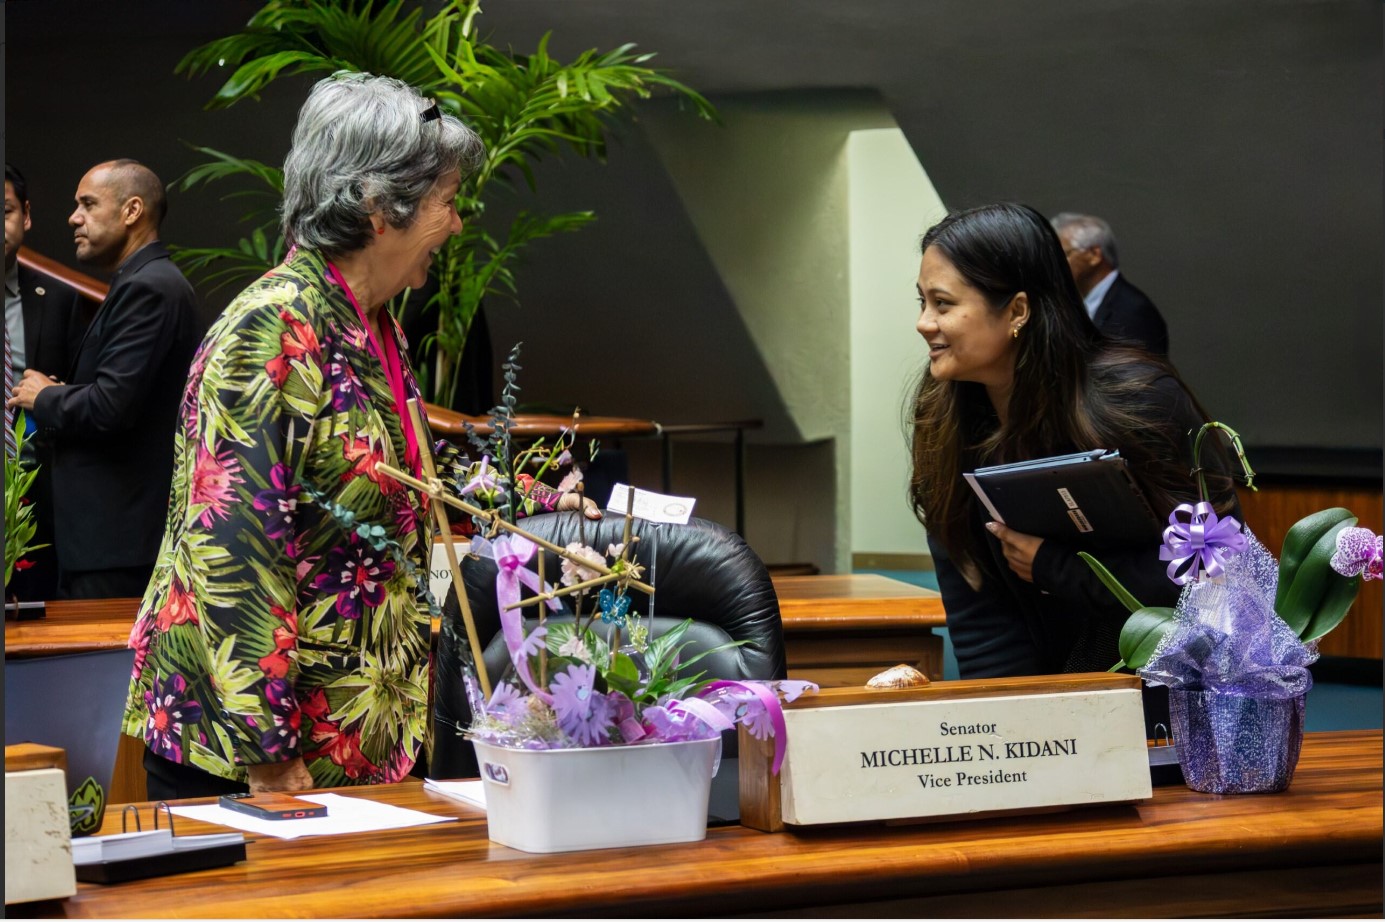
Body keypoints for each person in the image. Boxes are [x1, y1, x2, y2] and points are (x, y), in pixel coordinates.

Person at [121, 73, 600, 800]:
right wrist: (269, 756)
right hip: (262, 752)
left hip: (353, 725)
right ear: (379, 210)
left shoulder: (371, 321)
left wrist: (543, 503)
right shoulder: (272, 330)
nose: (459, 225)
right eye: (446, 204)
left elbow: (405, 471)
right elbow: (234, 553)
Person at [909, 203, 1235, 729]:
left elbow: (1214, 576)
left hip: (1179, 700)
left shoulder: (1138, 402)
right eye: (922, 301)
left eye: (942, 304)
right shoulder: (942, 418)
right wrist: (1011, 733)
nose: (924, 323)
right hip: (1045, 707)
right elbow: (978, 613)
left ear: (1017, 311)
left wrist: (1054, 568)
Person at [7, 160, 200, 599]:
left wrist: (46, 396)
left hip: (119, 546)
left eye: (88, 205)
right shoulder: (141, 281)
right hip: (107, 543)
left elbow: (112, 406)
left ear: (132, 211)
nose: (74, 217)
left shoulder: (149, 287)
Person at [4, 163, 92, 600]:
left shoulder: (57, 298)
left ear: (26, 216)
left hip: (36, 496)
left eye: (4, 211)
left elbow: (82, 392)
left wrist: (54, 393)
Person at [1051, 211, 1169, 357]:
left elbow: (1141, 375)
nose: (1056, 263)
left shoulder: (1133, 310)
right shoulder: (1075, 302)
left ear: (1094, 255)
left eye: (1064, 255)